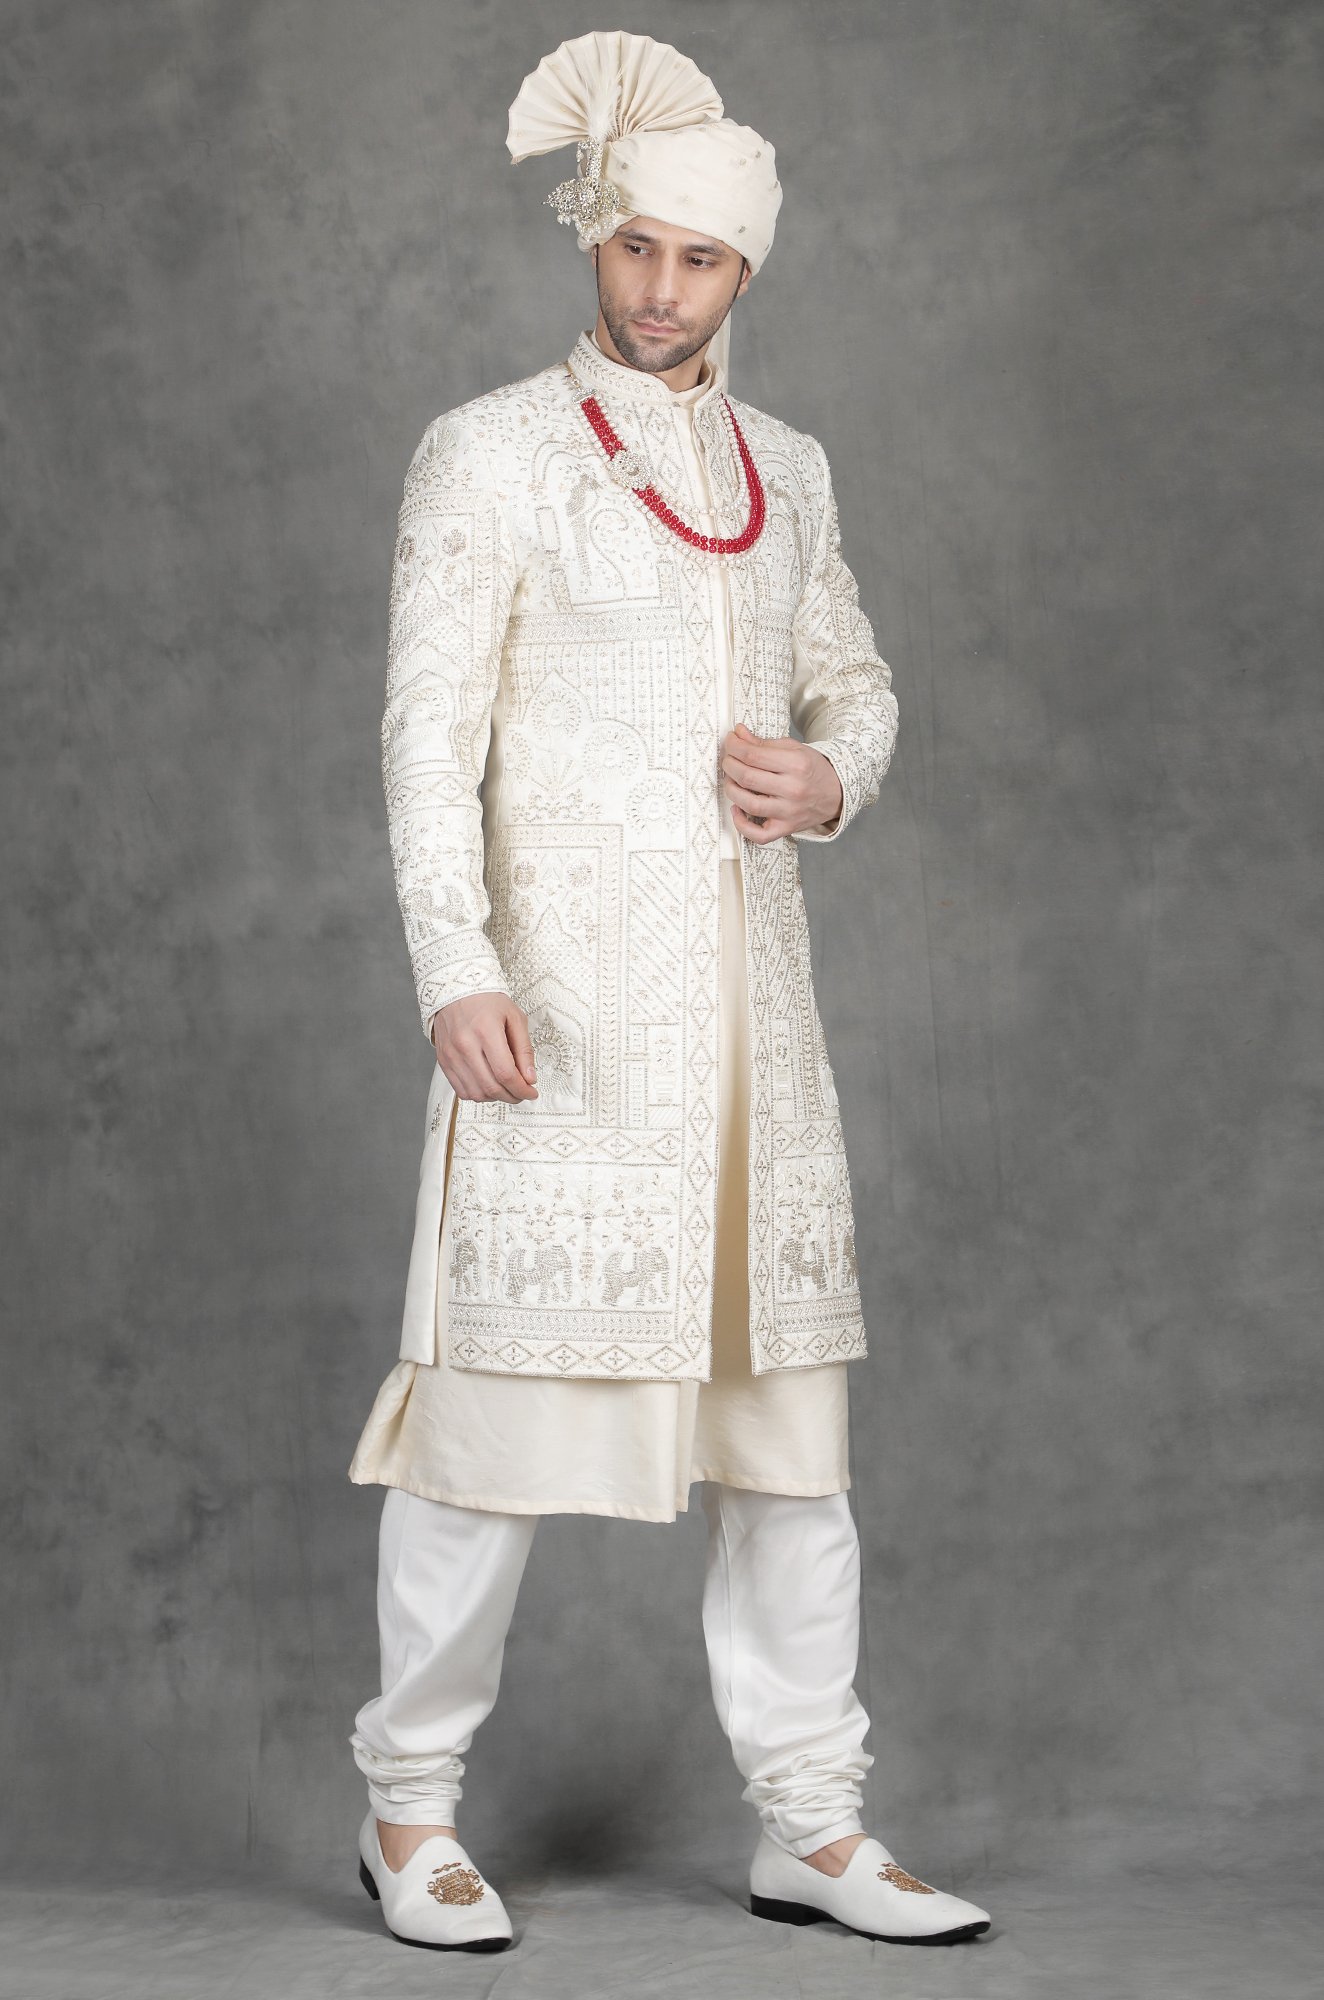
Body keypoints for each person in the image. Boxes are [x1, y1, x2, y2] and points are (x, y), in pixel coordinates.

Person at [346, 30, 991, 1955]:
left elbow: (854, 680)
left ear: (746, 271)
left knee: (791, 1460)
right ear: (591, 239)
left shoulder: (790, 470)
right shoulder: (491, 450)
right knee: (484, 1442)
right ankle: (406, 1811)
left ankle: (814, 1824)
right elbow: (424, 738)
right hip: (562, 1029)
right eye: (634, 248)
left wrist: (834, 776)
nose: (658, 289)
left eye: (699, 260)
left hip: (752, 1052)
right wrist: (454, 966)